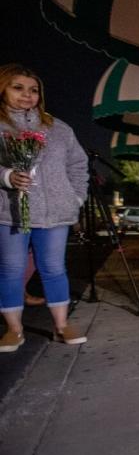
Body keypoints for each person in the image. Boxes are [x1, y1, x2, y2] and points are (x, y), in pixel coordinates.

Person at [0, 64, 88, 352]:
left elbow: (78, 164)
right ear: (3, 88)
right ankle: (14, 329)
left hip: (54, 215)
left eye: (33, 90)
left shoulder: (58, 128)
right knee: (11, 269)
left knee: (53, 268)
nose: (27, 95)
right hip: (9, 213)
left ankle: (62, 326)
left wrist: (75, 198)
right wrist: (7, 177)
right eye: (18, 87)